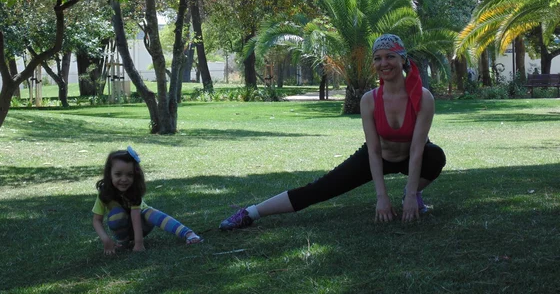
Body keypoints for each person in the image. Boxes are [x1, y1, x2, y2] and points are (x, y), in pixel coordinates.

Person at [219, 34, 446, 230]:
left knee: (435, 156)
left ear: (403, 59)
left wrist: (411, 195)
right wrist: (382, 197)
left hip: (411, 156)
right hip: (377, 156)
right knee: (319, 189)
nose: (383, 63)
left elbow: (417, 149)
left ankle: (411, 193)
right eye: (378, 58)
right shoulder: (370, 100)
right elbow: (374, 151)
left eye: (390, 57)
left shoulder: (423, 97)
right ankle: (250, 213)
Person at [92, 147, 202, 254]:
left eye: (130, 175)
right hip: (121, 228)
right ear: (109, 174)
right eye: (118, 174)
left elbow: (135, 216)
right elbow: (97, 220)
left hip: (142, 226)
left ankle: (188, 233)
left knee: (149, 212)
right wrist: (106, 239)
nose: (124, 179)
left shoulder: (133, 191)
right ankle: (123, 242)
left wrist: (138, 243)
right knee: (117, 214)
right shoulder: (104, 193)